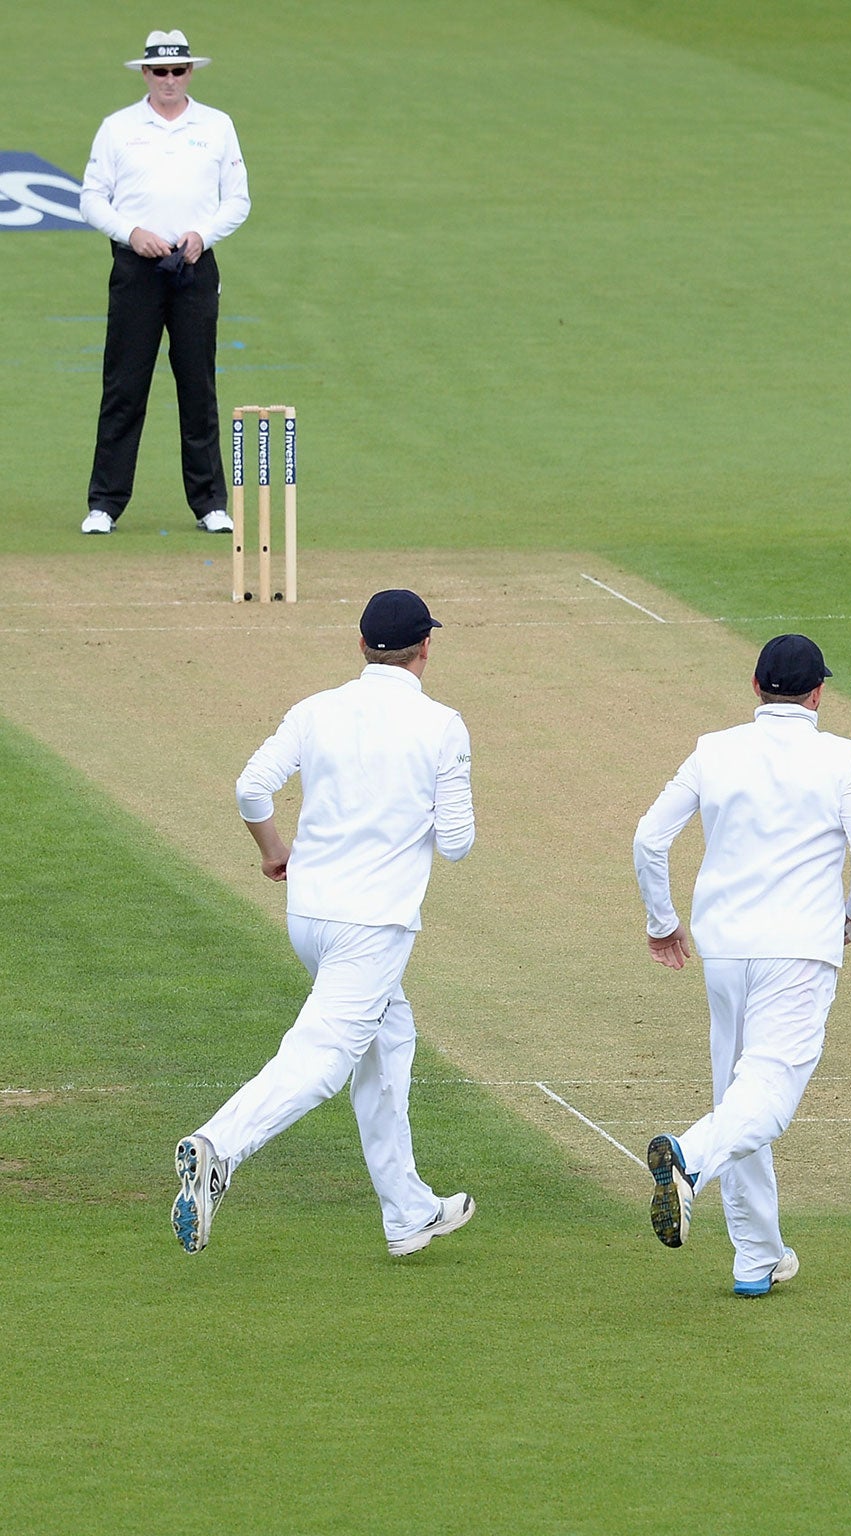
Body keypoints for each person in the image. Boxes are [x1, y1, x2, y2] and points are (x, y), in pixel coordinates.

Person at [173, 590, 477, 1257]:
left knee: (389, 1039)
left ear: (361, 645)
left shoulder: (316, 710)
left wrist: (273, 852)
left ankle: (407, 1212)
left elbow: (252, 787)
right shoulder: (442, 725)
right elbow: (456, 843)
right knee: (323, 1058)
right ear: (426, 648)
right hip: (374, 926)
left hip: (310, 915)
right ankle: (217, 1148)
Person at [634, 634, 851, 1295]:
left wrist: (663, 923)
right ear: (817, 694)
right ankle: (689, 1157)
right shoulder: (842, 759)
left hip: (725, 949)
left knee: (739, 1095)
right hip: (799, 949)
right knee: (767, 1102)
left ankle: (757, 1257)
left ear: (755, 687)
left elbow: (649, 839)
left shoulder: (714, 750)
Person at [76, 30, 249, 536]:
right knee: (124, 385)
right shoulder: (118, 128)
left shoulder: (216, 126)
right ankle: (104, 503)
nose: (169, 80)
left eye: (178, 71)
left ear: (190, 72)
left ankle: (210, 503)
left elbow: (237, 200)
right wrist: (132, 232)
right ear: (145, 74)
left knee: (198, 386)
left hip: (194, 266)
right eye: (159, 72)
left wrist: (202, 235)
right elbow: (91, 198)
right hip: (137, 267)